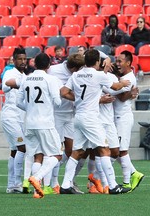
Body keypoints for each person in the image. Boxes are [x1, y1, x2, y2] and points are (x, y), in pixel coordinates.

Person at [60, 49, 131, 194]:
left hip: (79, 117)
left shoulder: (76, 75)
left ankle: (65, 185)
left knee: (77, 152)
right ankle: (112, 186)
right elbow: (116, 87)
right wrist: (123, 82)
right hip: (91, 118)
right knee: (104, 149)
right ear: (98, 61)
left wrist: (79, 99)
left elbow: (63, 92)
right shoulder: (98, 75)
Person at [16, 53, 63, 199]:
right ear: (49, 65)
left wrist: (31, 109)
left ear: (34, 64)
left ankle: (37, 191)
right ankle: (37, 178)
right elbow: (58, 102)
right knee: (56, 154)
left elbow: (18, 102)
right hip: (45, 123)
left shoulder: (26, 79)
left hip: (29, 123)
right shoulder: (51, 79)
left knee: (37, 156)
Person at [46, 54, 86, 194]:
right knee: (55, 150)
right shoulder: (53, 70)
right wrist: (83, 98)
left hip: (70, 115)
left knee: (72, 151)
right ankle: (52, 182)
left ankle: (68, 181)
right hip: (55, 114)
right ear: (74, 68)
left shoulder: (79, 73)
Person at [0, 47, 32, 194]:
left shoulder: (25, 76)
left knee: (15, 150)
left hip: (21, 118)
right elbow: (6, 85)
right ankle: (18, 184)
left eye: (25, 59)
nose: (23, 61)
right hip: (10, 116)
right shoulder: (10, 73)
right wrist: (20, 83)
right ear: (14, 60)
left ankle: (11, 185)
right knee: (22, 147)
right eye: (20, 59)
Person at [111, 51, 144, 191]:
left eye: (120, 61)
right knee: (114, 150)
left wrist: (114, 84)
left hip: (123, 117)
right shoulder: (123, 77)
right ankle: (133, 173)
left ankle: (126, 182)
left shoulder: (129, 78)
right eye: (117, 61)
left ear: (128, 63)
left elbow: (122, 97)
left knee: (121, 150)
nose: (117, 64)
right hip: (116, 116)